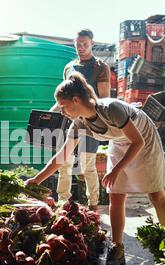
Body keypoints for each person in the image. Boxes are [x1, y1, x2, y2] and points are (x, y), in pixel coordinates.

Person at [27, 72, 165, 265]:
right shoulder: (79, 122)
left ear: (76, 100)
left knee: (156, 195)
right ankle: (118, 247)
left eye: (63, 105)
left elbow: (138, 141)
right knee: (115, 195)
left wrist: (117, 169)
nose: (62, 111)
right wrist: (36, 180)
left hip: (144, 140)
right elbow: (61, 157)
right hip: (120, 143)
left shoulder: (111, 108)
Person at [49, 29, 110, 212]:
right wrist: (49, 114)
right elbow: (63, 97)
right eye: (78, 45)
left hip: (90, 121)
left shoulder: (100, 67)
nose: (81, 48)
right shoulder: (69, 67)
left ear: (92, 43)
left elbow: (104, 99)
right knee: (64, 163)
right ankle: (63, 203)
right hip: (70, 120)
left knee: (88, 166)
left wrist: (98, 122)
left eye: (85, 44)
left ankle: (93, 206)